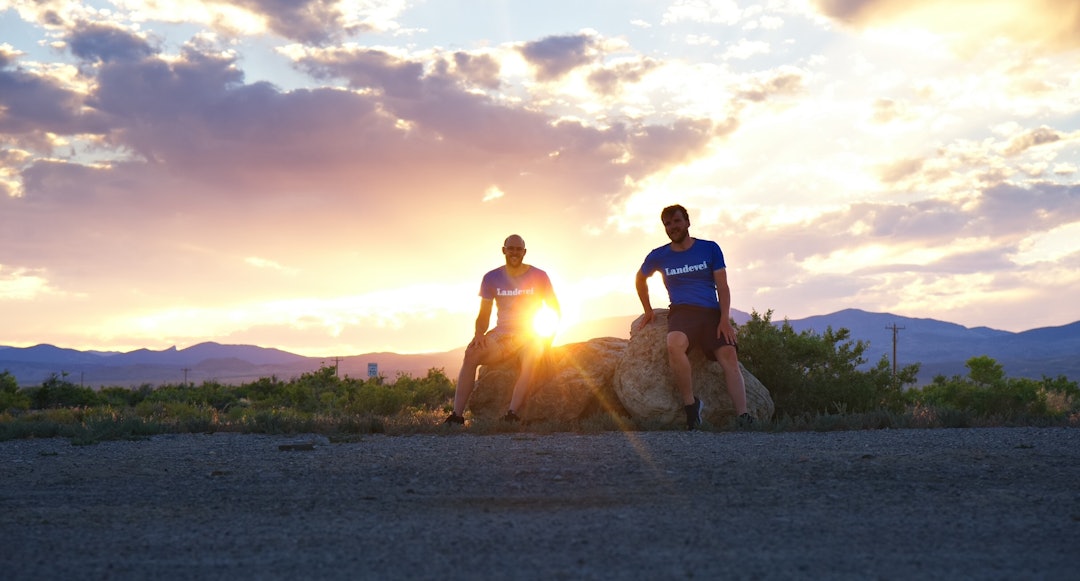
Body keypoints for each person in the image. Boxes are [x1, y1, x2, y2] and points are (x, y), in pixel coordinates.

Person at [635, 204, 752, 430]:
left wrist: (724, 319)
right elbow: (640, 279)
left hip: (711, 312)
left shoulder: (710, 249)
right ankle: (691, 407)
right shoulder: (659, 255)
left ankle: (744, 416)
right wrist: (648, 310)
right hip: (682, 312)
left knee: (728, 355)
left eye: (677, 221)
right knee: (673, 344)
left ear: (687, 222)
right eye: (667, 224)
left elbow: (723, 287)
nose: (672, 227)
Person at [444, 234, 560, 425]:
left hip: (531, 333)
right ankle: (456, 416)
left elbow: (555, 309)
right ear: (504, 250)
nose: (514, 252)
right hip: (503, 334)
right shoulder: (491, 277)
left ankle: (512, 414)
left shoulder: (539, 276)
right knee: (471, 353)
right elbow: (484, 313)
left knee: (531, 357)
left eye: (518, 249)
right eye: (511, 248)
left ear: (524, 252)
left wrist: (548, 340)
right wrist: (479, 334)